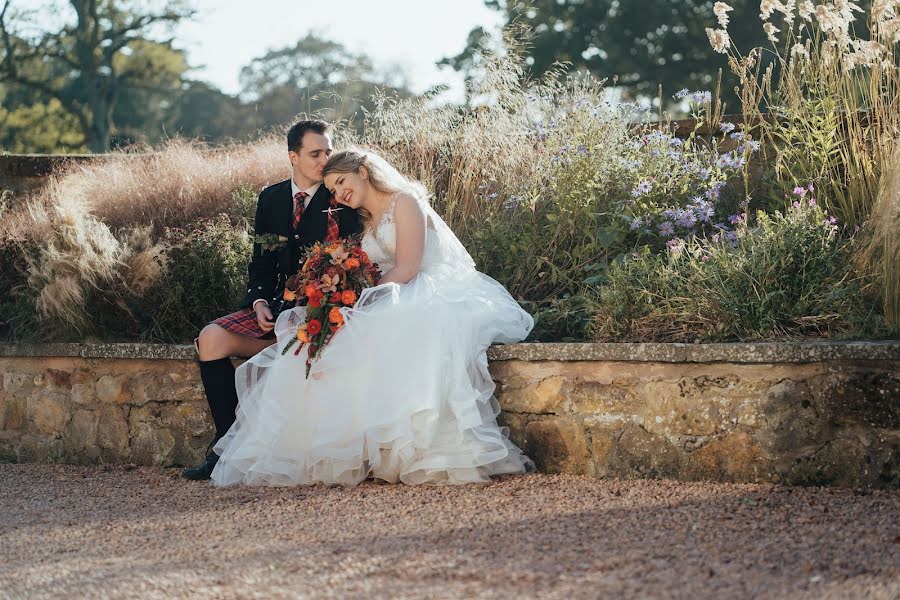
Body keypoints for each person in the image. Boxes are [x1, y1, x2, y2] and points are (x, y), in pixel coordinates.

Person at [211, 148, 535, 486]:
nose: (338, 193)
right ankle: (342, 447)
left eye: (341, 182)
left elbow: (408, 267)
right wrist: (340, 295)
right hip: (384, 293)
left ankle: (409, 447)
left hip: (424, 290)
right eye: (333, 190)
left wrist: (360, 300)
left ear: (363, 172)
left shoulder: (405, 201)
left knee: (379, 333)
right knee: (319, 348)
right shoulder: (366, 220)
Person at [182, 120, 361, 480]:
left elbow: (353, 263)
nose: (325, 159)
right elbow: (262, 261)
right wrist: (259, 301)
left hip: (322, 312)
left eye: (328, 151)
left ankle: (247, 450)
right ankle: (225, 447)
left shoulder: (341, 199)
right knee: (211, 339)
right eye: (315, 153)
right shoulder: (272, 198)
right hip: (276, 309)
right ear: (293, 157)